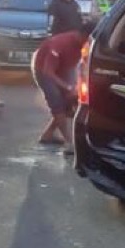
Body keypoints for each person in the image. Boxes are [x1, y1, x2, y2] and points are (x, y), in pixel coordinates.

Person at [32, 20, 97, 154]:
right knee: (57, 104)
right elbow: (48, 72)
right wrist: (67, 86)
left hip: (63, 67)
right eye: (88, 41)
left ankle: (47, 135)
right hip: (44, 69)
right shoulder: (59, 44)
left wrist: (78, 86)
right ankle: (70, 142)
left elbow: (82, 66)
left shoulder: (85, 45)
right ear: (83, 35)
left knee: (70, 101)